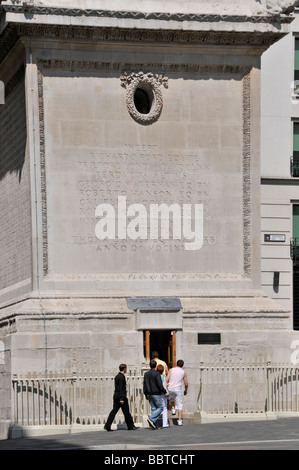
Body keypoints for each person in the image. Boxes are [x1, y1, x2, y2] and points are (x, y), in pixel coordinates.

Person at [104, 364, 139, 431]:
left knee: (114, 411)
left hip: (116, 396)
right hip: (121, 396)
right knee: (126, 412)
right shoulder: (122, 377)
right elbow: (121, 388)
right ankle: (130, 426)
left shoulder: (117, 376)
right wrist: (121, 398)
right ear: (124, 369)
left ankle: (107, 425)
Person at [143, 359, 165, 429]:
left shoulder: (146, 374)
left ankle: (155, 425)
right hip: (155, 393)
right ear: (155, 366)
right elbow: (159, 384)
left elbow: (145, 384)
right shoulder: (157, 373)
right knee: (160, 407)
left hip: (149, 393)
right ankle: (151, 419)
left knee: (154, 409)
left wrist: (145, 393)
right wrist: (164, 391)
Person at [166, 359, 188, 426]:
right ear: (182, 365)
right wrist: (186, 390)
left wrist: (166, 384)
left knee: (171, 398)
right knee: (180, 405)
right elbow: (186, 383)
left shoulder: (171, 370)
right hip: (178, 389)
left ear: (176, 364)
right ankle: (179, 420)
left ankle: (173, 409)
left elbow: (167, 379)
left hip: (170, 388)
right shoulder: (183, 372)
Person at [156, 364, 169, 428]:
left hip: (157, 394)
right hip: (163, 394)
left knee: (157, 408)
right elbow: (165, 385)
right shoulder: (163, 376)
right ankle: (165, 423)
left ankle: (156, 423)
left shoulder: (156, 377)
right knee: (164, 408)